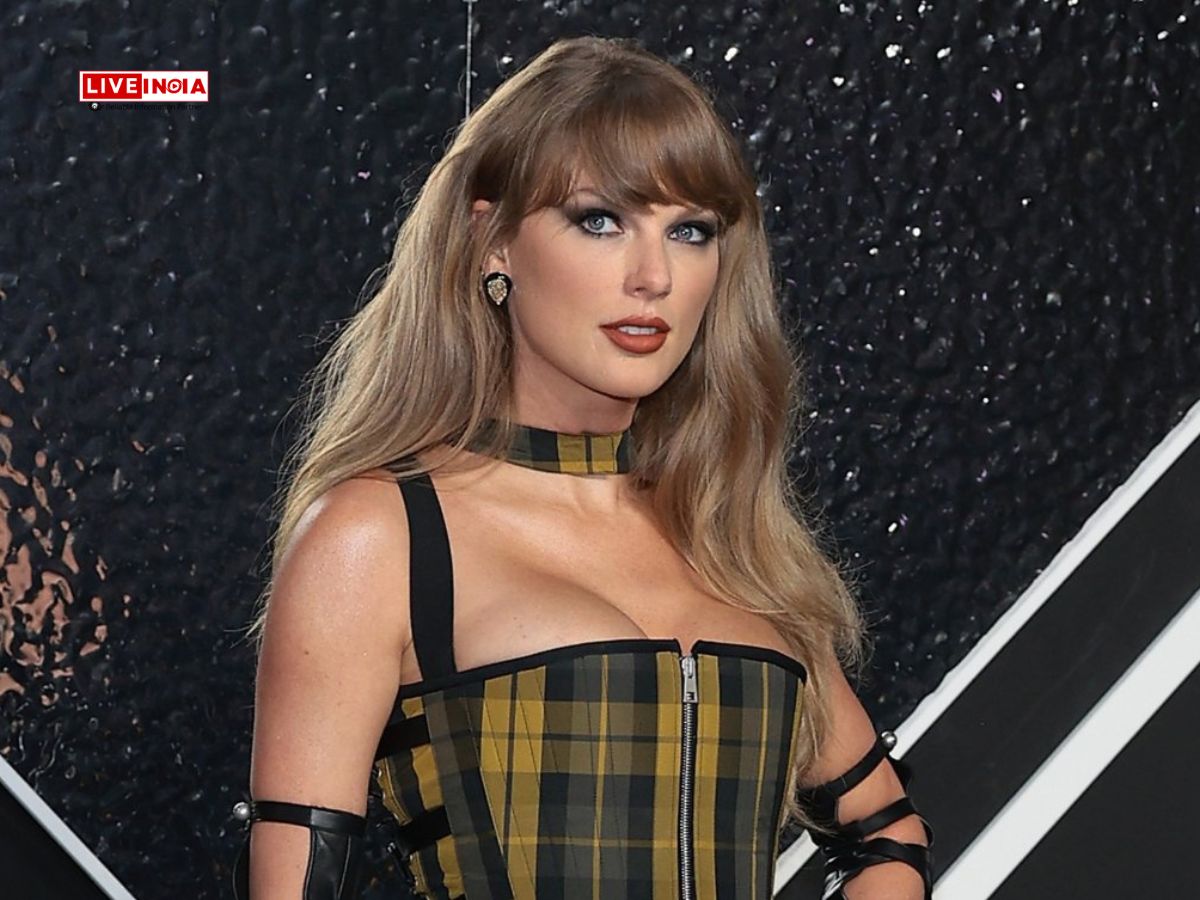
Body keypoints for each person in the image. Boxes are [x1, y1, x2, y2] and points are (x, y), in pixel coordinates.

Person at [231, 35, 932, 900]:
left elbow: (887, 835)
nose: (653, 276)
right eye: (601, 220)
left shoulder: (728, 534)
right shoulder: (379, 534)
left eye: (690, 231)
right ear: (492, 241)